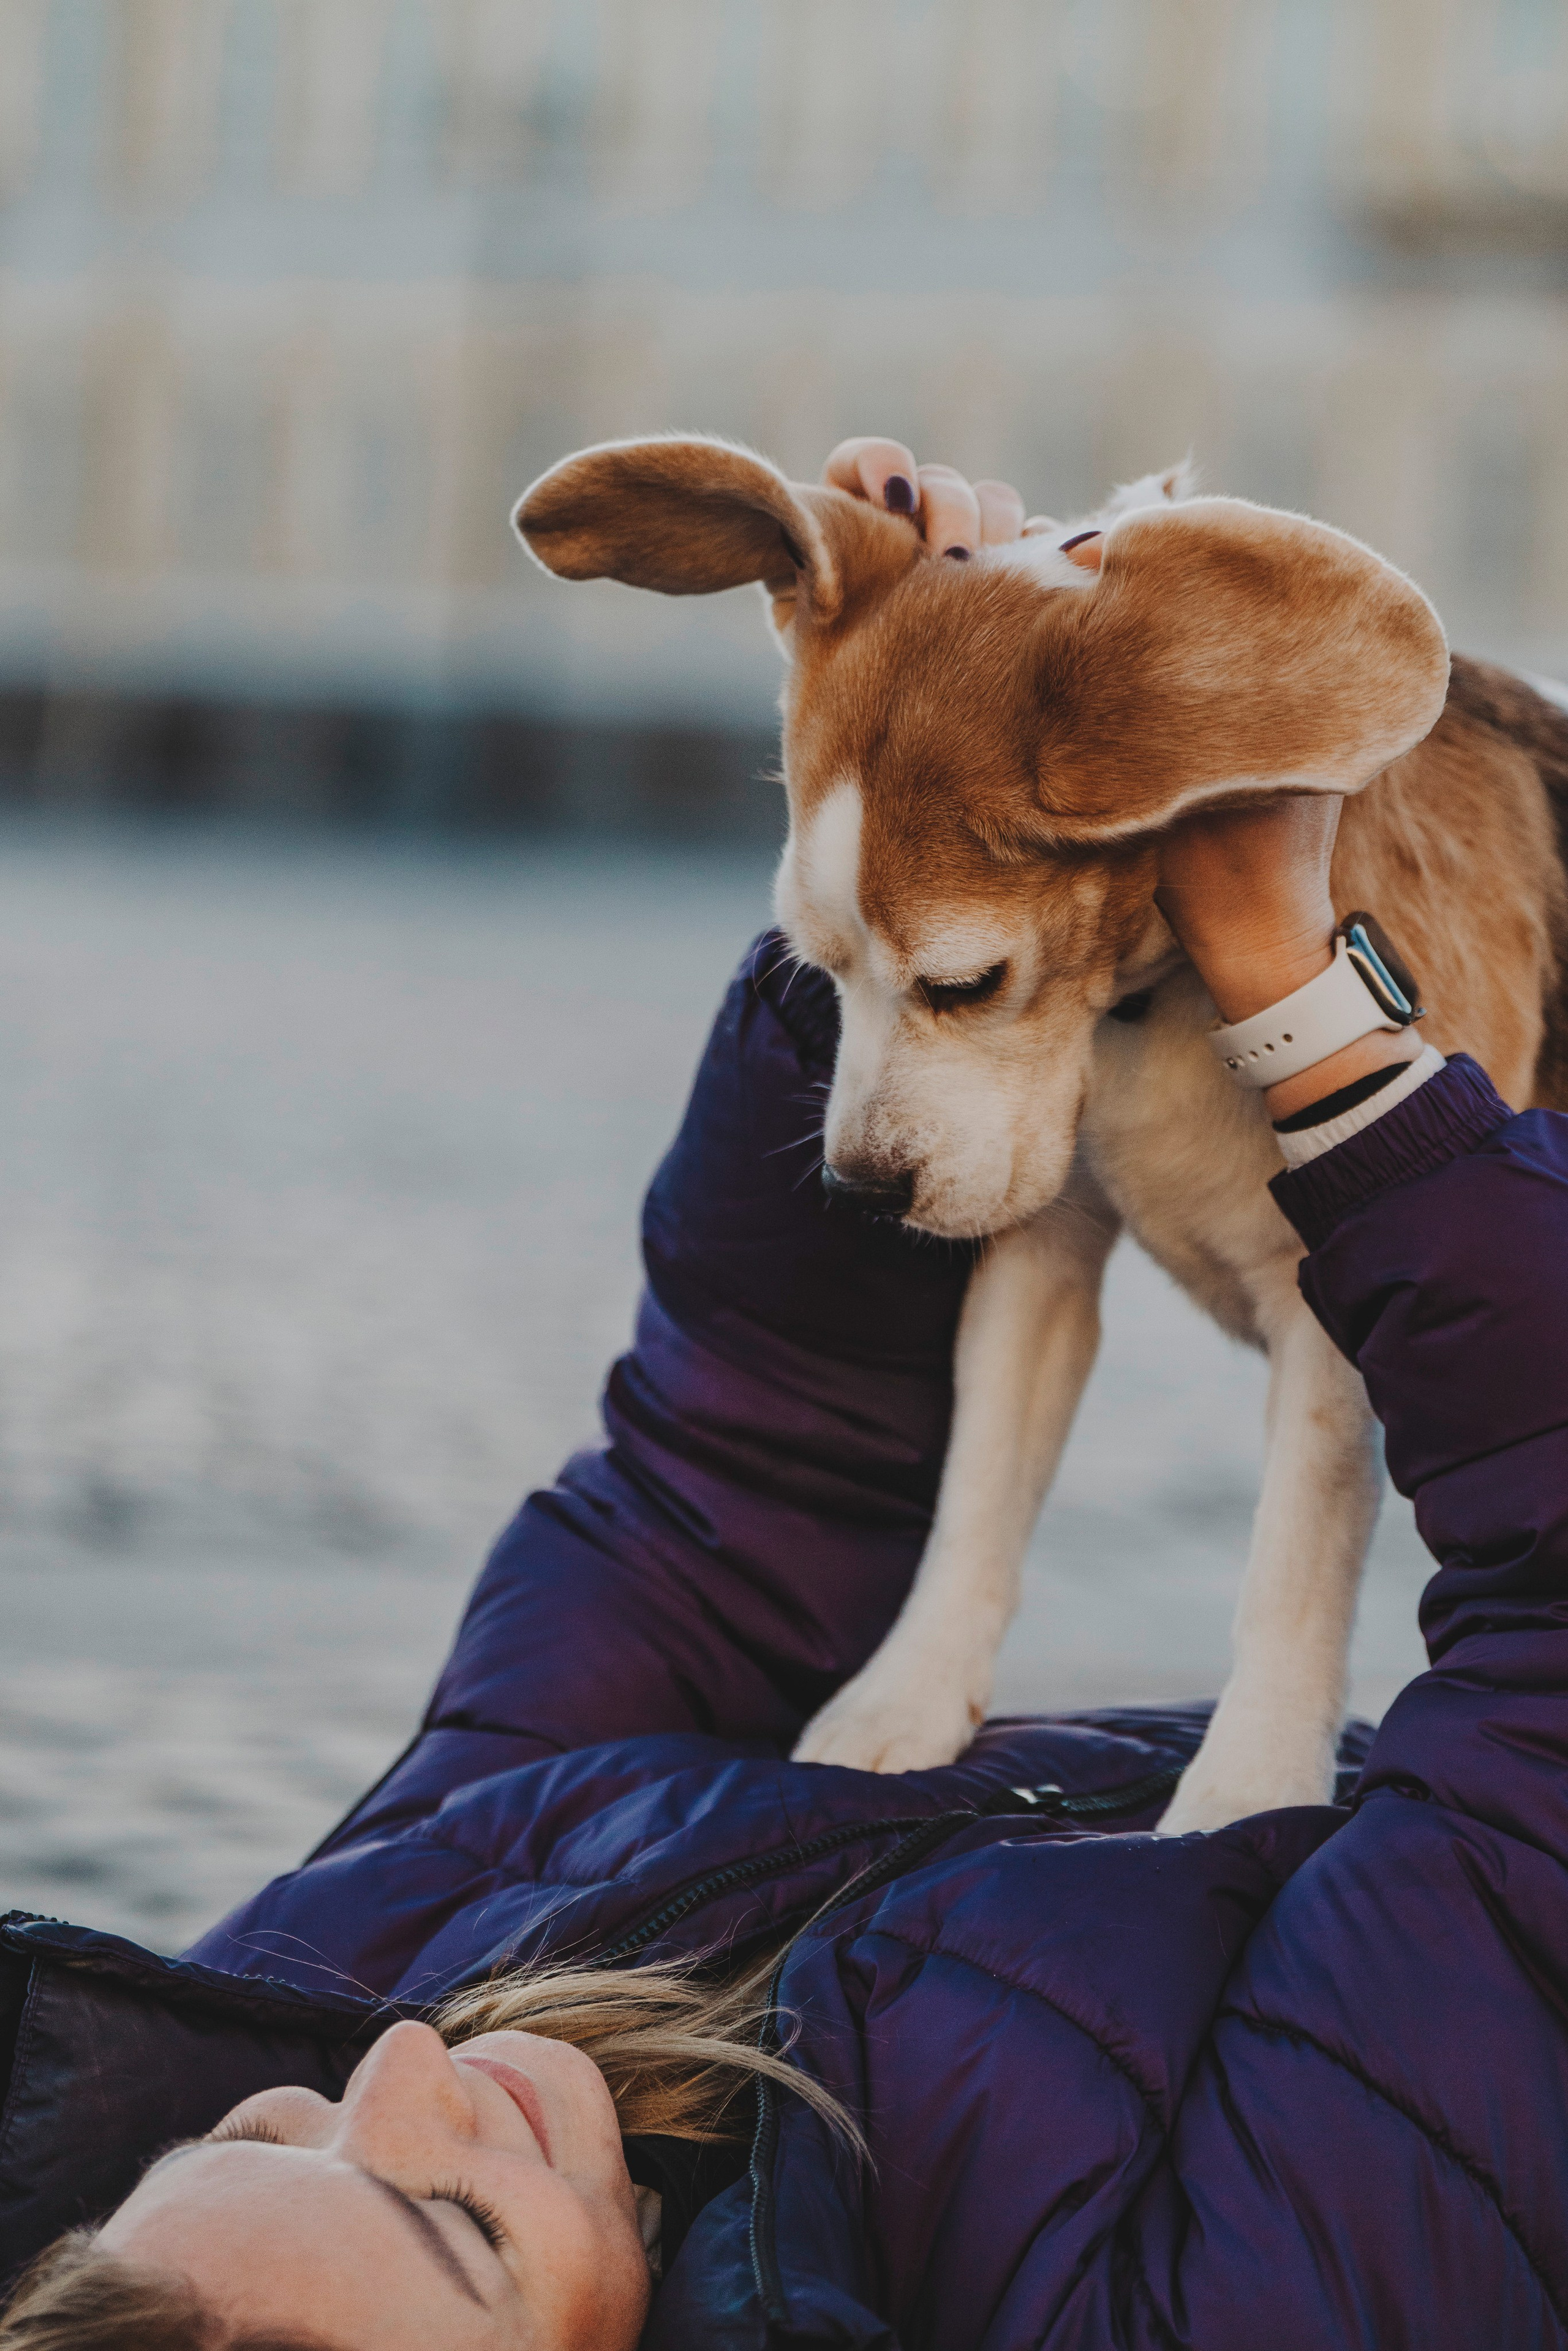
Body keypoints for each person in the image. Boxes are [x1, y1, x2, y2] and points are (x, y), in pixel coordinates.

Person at [2, 445, 1566, 2351]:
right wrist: (1323, 1021)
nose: (397, 2079)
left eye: (272, 2128)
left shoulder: (359, 1963)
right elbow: (1538, 1786)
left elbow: (714, 1498)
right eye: (451, 2229)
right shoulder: (1162, 2306)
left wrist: (913, 702)